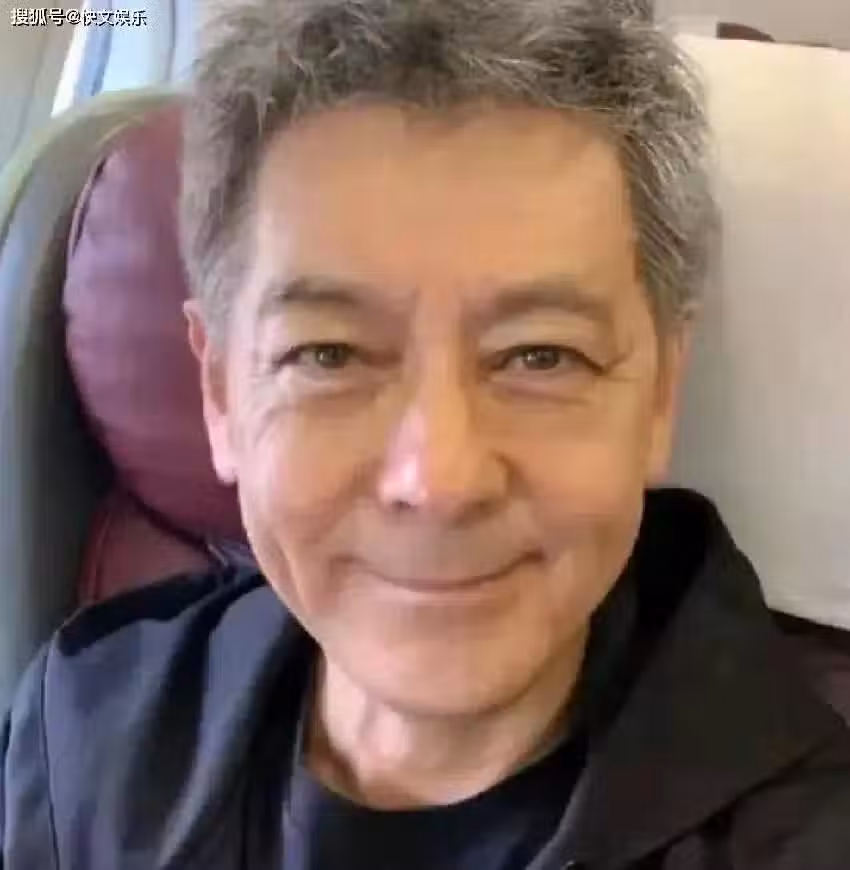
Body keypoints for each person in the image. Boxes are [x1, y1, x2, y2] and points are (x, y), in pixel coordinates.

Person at [3, 1, 850, 867]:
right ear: (219, 394)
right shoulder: (82, 740)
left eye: (541, 356)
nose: (439, 479)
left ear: (660, 394)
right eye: (329, 354)